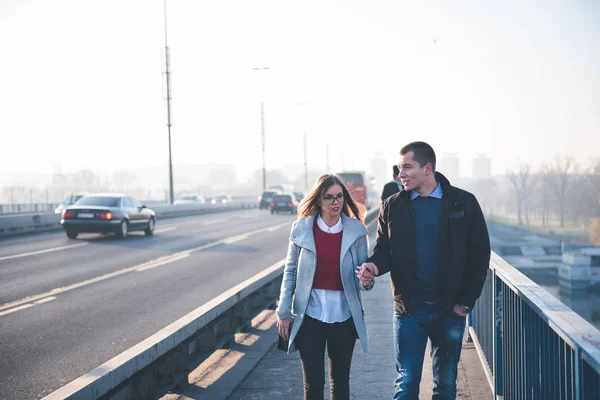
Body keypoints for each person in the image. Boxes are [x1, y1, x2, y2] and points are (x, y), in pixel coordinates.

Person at [357, 141, 491, 400]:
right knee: (405, 385)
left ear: (427, 168)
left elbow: (479, 255)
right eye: (399, 168)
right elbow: (384, 251)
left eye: (407, 167)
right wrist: (373, 266)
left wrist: (465, 303)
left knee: (446, 386)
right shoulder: (392, 206)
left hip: (450, 310)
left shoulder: (463, 203)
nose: (400, 175)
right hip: (409, 311)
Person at [276, 174, 374, 400]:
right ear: (318, 200)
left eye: (339, 196)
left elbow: (364, 277)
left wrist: (366, 280)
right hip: (309, 316)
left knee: (340, 384)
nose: (335, 202)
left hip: (345, 316)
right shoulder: (301, 228)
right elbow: (290, 272)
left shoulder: (356, 231)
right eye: (329, 198)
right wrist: (283, 311)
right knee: (313, 385)